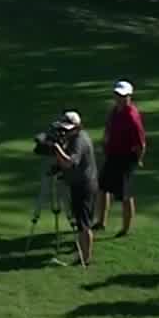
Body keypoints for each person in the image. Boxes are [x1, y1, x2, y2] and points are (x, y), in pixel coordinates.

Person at [46, 110, 98, 266]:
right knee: (81, 221)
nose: (65, 132)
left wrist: (57, 149)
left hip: (84, 186)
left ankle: (86, 258)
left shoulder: (79, 141)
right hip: (79, 184)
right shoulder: (74, 137)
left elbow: (69, 162)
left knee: (84, 224)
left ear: (77, 127)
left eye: (68, 128)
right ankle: (82, 250)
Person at [95, 80, 145, 237]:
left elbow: (141, 144)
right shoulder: (114, 111)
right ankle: (101, 222)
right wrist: (105, 142)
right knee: (102, 188)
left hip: (126, 159)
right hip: (112, 155)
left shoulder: (132, 117)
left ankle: (125, 229)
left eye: (123, 96)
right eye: (117, 95)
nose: (119, 98)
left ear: (129, 96)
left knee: (125, 195)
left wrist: (138, 159)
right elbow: (109, 128)